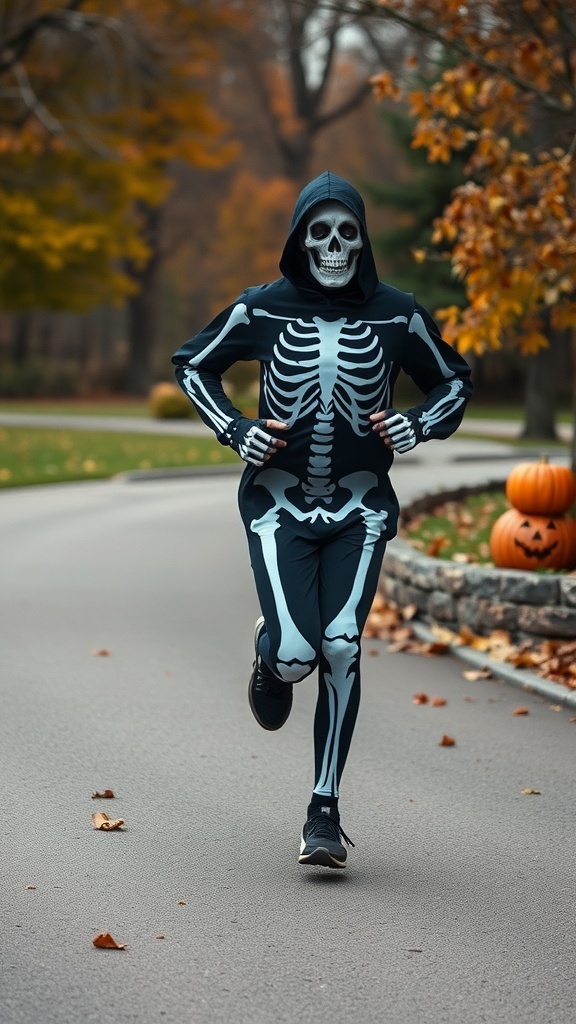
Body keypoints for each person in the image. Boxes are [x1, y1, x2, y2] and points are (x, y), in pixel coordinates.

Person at [172, 171, 473, 869]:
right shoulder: (261, 307)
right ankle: (271, 654)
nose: (334, 246)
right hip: (278, 502)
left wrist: (419, 423)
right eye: (320, 233)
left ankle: (324, 811)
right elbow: (191, 364)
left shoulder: (397, 315)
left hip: (359, 504)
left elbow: (455, 381)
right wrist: (235, 428)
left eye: (346, 233)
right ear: (300, 241)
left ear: (361, 241)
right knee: (296, 654)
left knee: (341, 645)